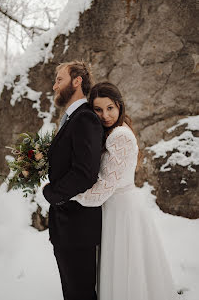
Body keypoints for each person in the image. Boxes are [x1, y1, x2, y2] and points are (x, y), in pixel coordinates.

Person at [71, 82, 178, 300]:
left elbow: (103, 188)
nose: (105, 115)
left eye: (110, 108)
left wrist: (68, 194)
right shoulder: (112, 132)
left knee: (126, 266)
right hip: (116, 207)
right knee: (123, 267)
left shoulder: (119, 136)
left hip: (122, 209)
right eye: (98, 110)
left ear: (119, 106)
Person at [43, 61, 104, 300]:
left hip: (78, 228)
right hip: (67, 227)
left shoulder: (85, 118)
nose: (54, 85)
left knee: (80, 294)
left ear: (77, 81)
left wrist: (52, 193)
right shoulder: (72, 118)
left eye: (59, 79)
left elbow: (84, 173)